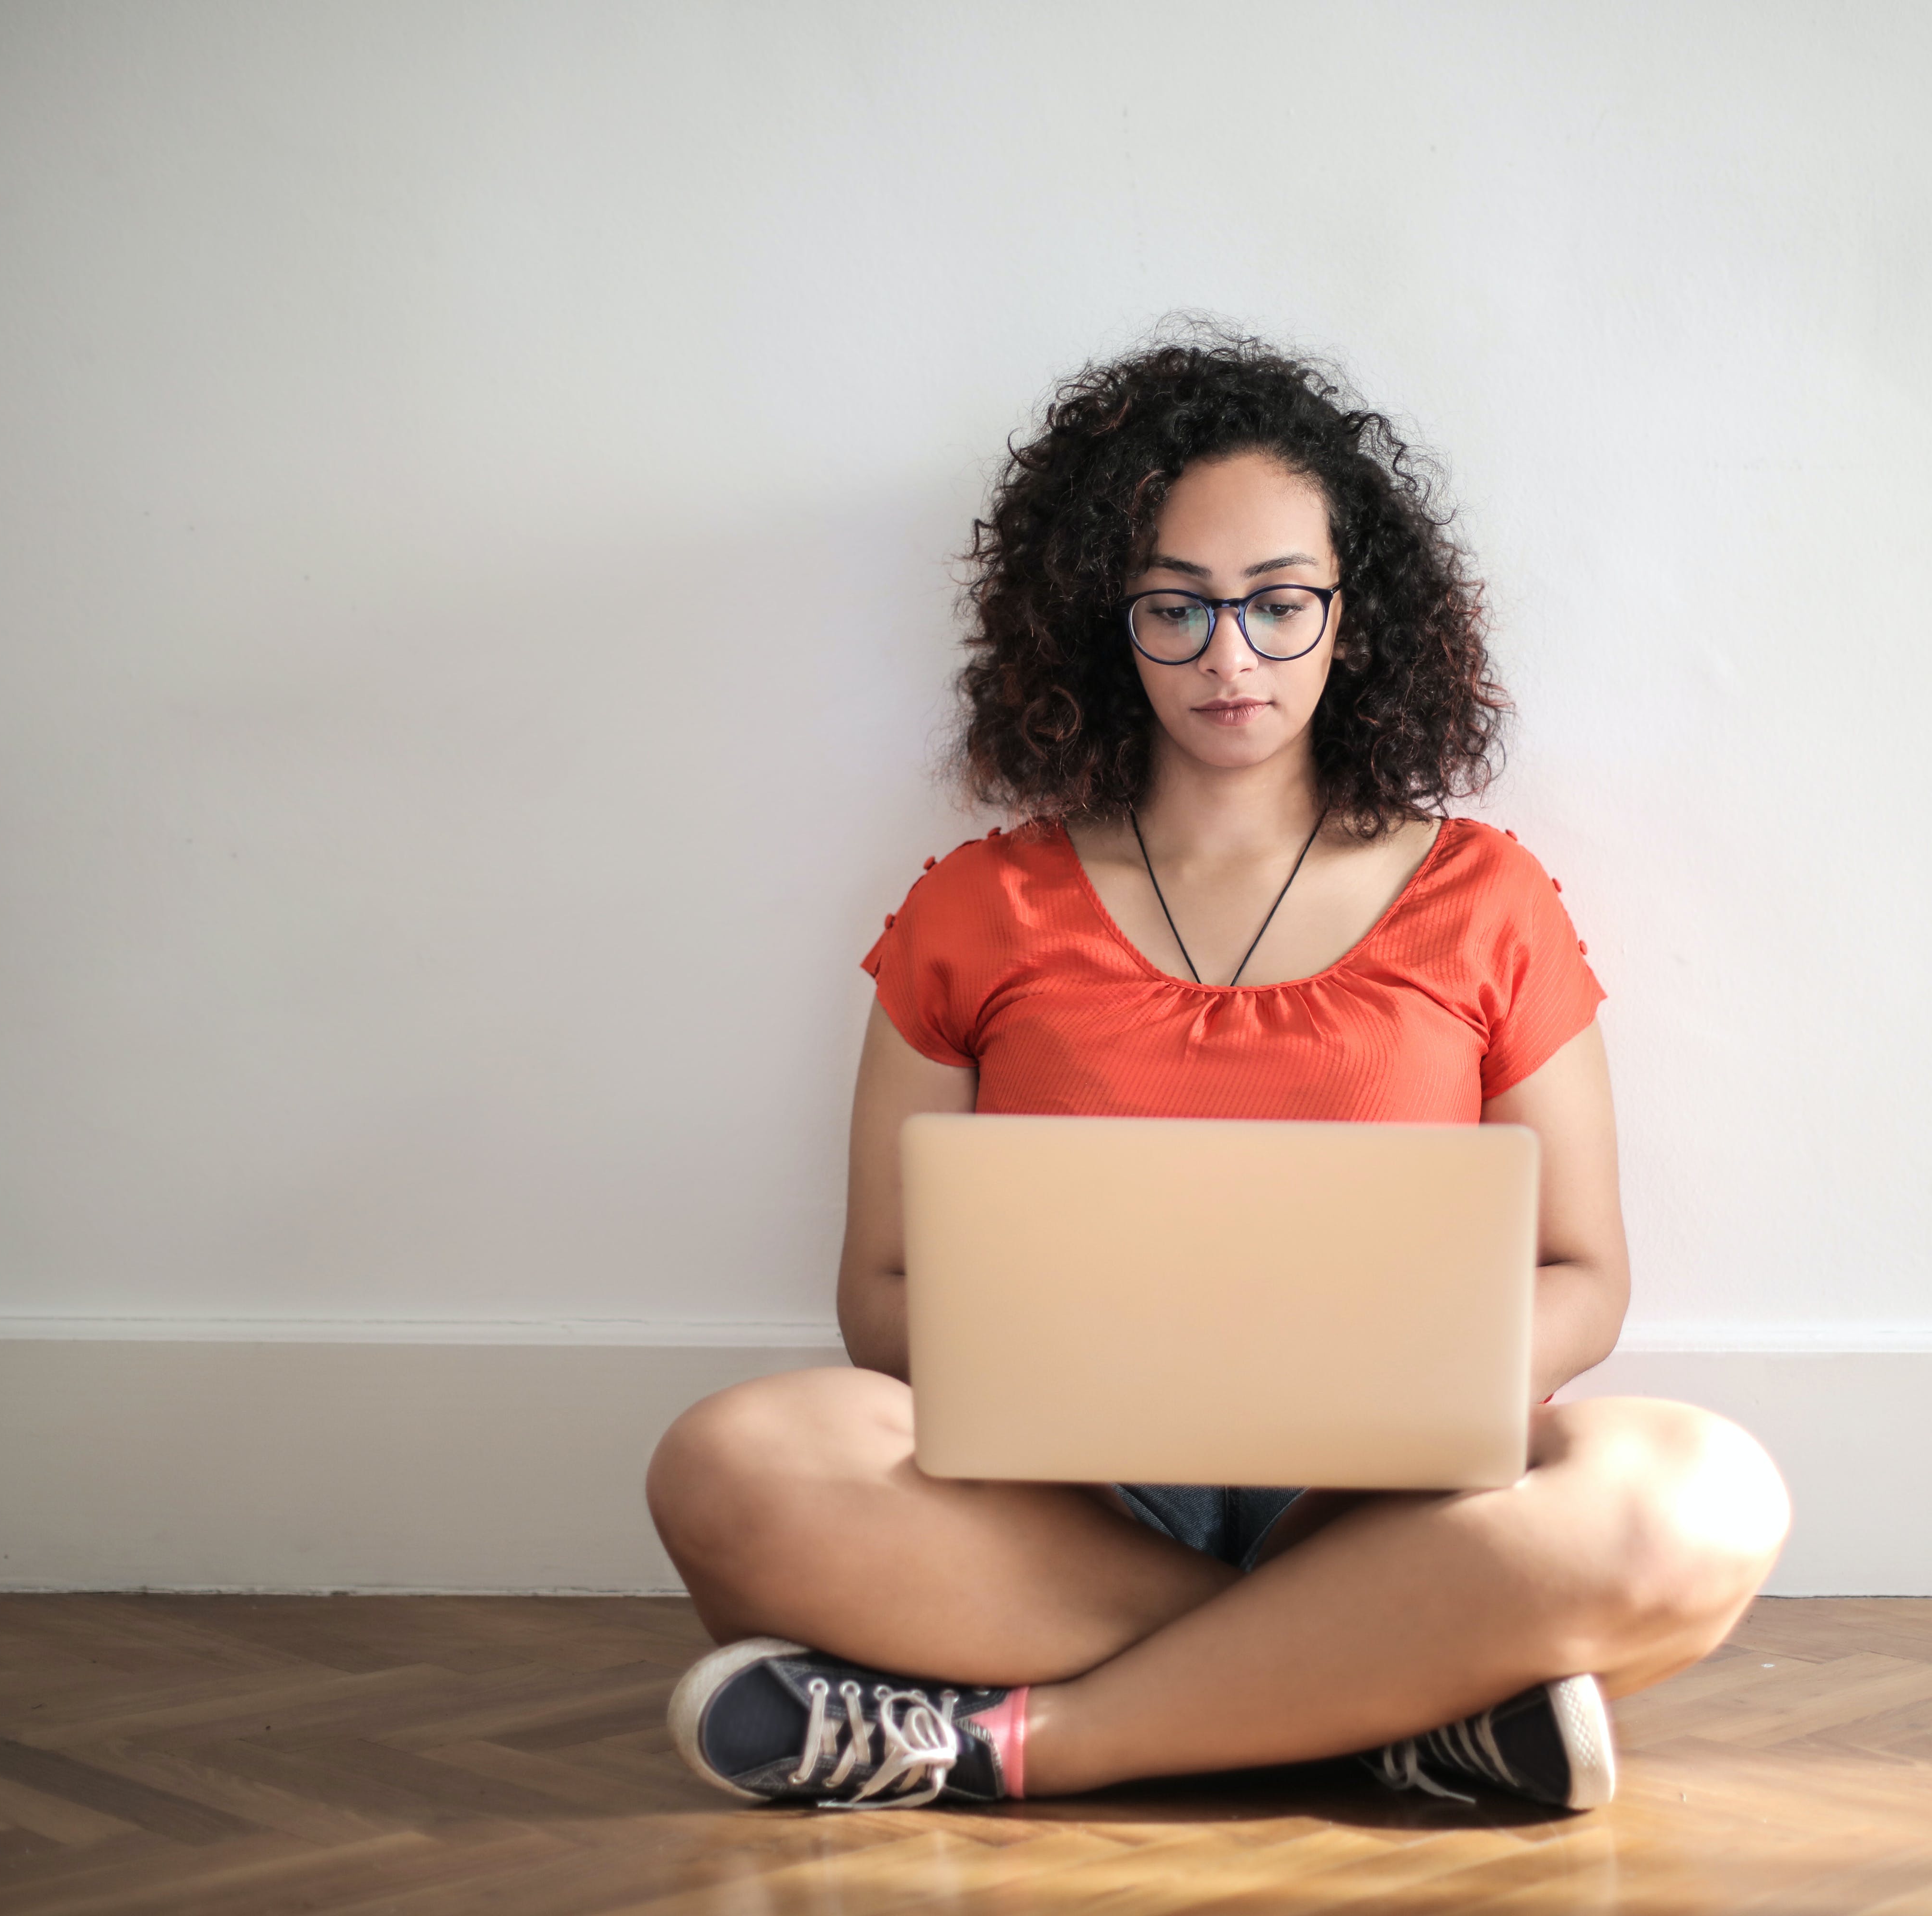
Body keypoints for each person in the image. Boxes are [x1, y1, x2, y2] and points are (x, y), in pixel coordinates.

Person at [645, 331, 1791, 1813]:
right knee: (733, 1464)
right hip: (1062, 1502)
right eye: (1174, 608)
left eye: (1277, 605)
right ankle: (1387, 1703)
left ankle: (1008, 1743)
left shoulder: (1488, 898)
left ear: (1354, 617)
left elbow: (1583, 1273)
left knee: (1697, 1500)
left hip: (1384, 1501)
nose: (1229, 658)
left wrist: (1402, 1390)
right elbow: (879, 1297)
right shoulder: (975, 906)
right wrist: (1092, 1378)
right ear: (1102, 625)